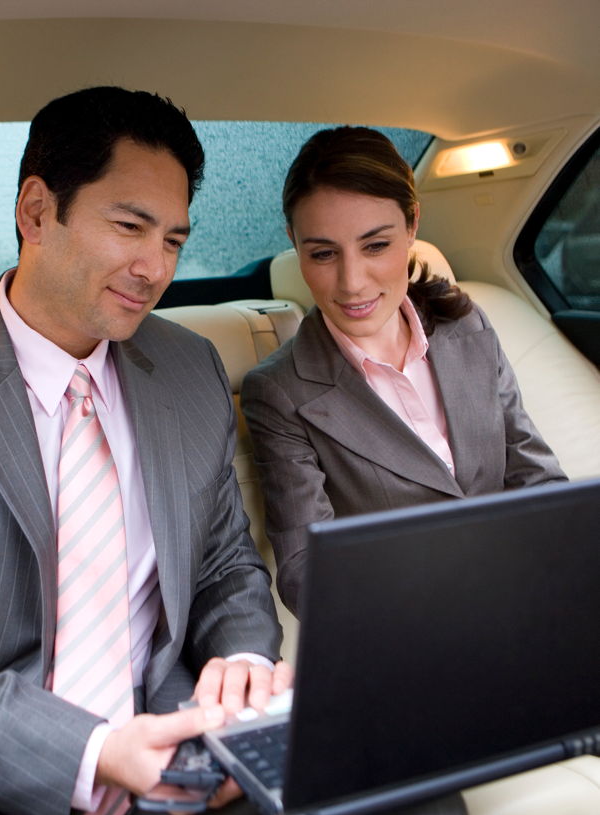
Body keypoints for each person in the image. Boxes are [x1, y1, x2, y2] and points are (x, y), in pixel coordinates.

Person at [0, 91, 465, 815]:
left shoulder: (188, 370)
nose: (154, 267)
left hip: (169, 755)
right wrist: (90, 753)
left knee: (419, 811)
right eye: (130, 227)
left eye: (174, 240)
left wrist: (243, 659)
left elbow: (226, 562)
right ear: (36, 211)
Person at [241, 126, 567, 618]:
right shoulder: (280, 391)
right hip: (411, 628)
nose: (352, 283)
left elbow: (538, 484)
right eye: (323, 254)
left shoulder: (467, 327)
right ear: (294, 243)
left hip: (534, 600)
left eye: (375, 246)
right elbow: (308, 572)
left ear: (412, 224)